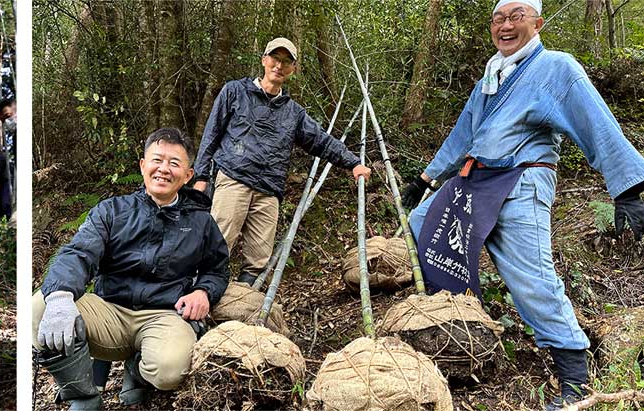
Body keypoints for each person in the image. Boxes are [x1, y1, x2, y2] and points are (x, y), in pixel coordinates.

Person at [399, 1, 644, 409]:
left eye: (517, 16)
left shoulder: (555, 67)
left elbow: (595, 122)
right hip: (476, 179)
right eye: (499, 18)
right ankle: (447, 320)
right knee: (422, 222)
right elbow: (464, 133)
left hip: (522, 179)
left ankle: (574, 381)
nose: (506, 25)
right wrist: (425, 178)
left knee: (532, 277)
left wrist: (627, 188)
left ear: (537, 23)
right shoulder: (491, 77)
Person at [33, 128, 230, 410]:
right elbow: (79, 253)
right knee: (40, 307)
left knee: (170, 370)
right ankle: (83, 397)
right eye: (157, 160)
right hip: (109, 311)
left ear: (187, 176)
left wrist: (203, 292)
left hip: (164, 315)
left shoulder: (201, 222)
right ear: (142, 165)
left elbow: (218, 269)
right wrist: (61, 295)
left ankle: (137, 370)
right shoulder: (112, 211)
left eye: (174, 163)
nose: (164, 169)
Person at [193, 37, 372, 285]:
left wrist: (353, 163)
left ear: (293, 69)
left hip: (269, 190)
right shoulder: (235, 91)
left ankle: (240, 309)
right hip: (233, 179)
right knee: (216, 246)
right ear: (264, 60)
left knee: (258, 260)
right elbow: (211, 134)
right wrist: (201, 177)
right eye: (275, 59)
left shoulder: (293, 112)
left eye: (286, 62)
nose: (279, 65)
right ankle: (198, 302)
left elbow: (321, 141)